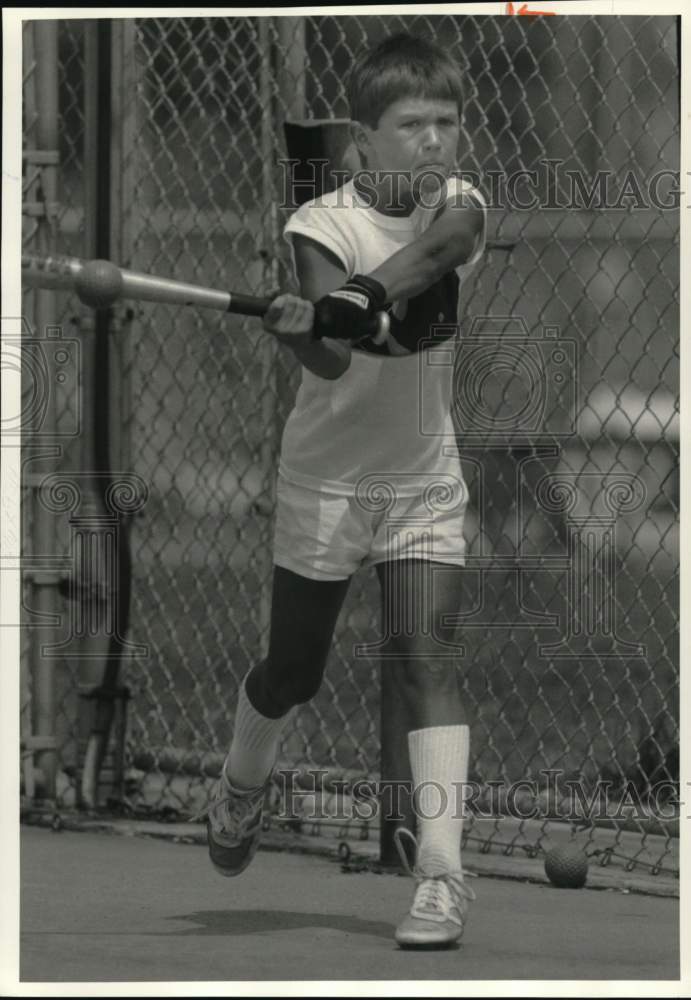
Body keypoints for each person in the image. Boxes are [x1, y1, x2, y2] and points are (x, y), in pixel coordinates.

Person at [205, 32, 487, 950]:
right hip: (327, 483)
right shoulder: (318, 225)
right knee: (294, 673)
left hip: (420, 482)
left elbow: (442, 249)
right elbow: (328, 355)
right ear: (363, 142)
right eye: (411, 125)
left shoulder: (460, 206)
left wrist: (365, 291)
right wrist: (298, 326)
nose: (434, 141)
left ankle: (441, 876)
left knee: (424, 660)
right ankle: (245, 779)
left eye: (446, 122)